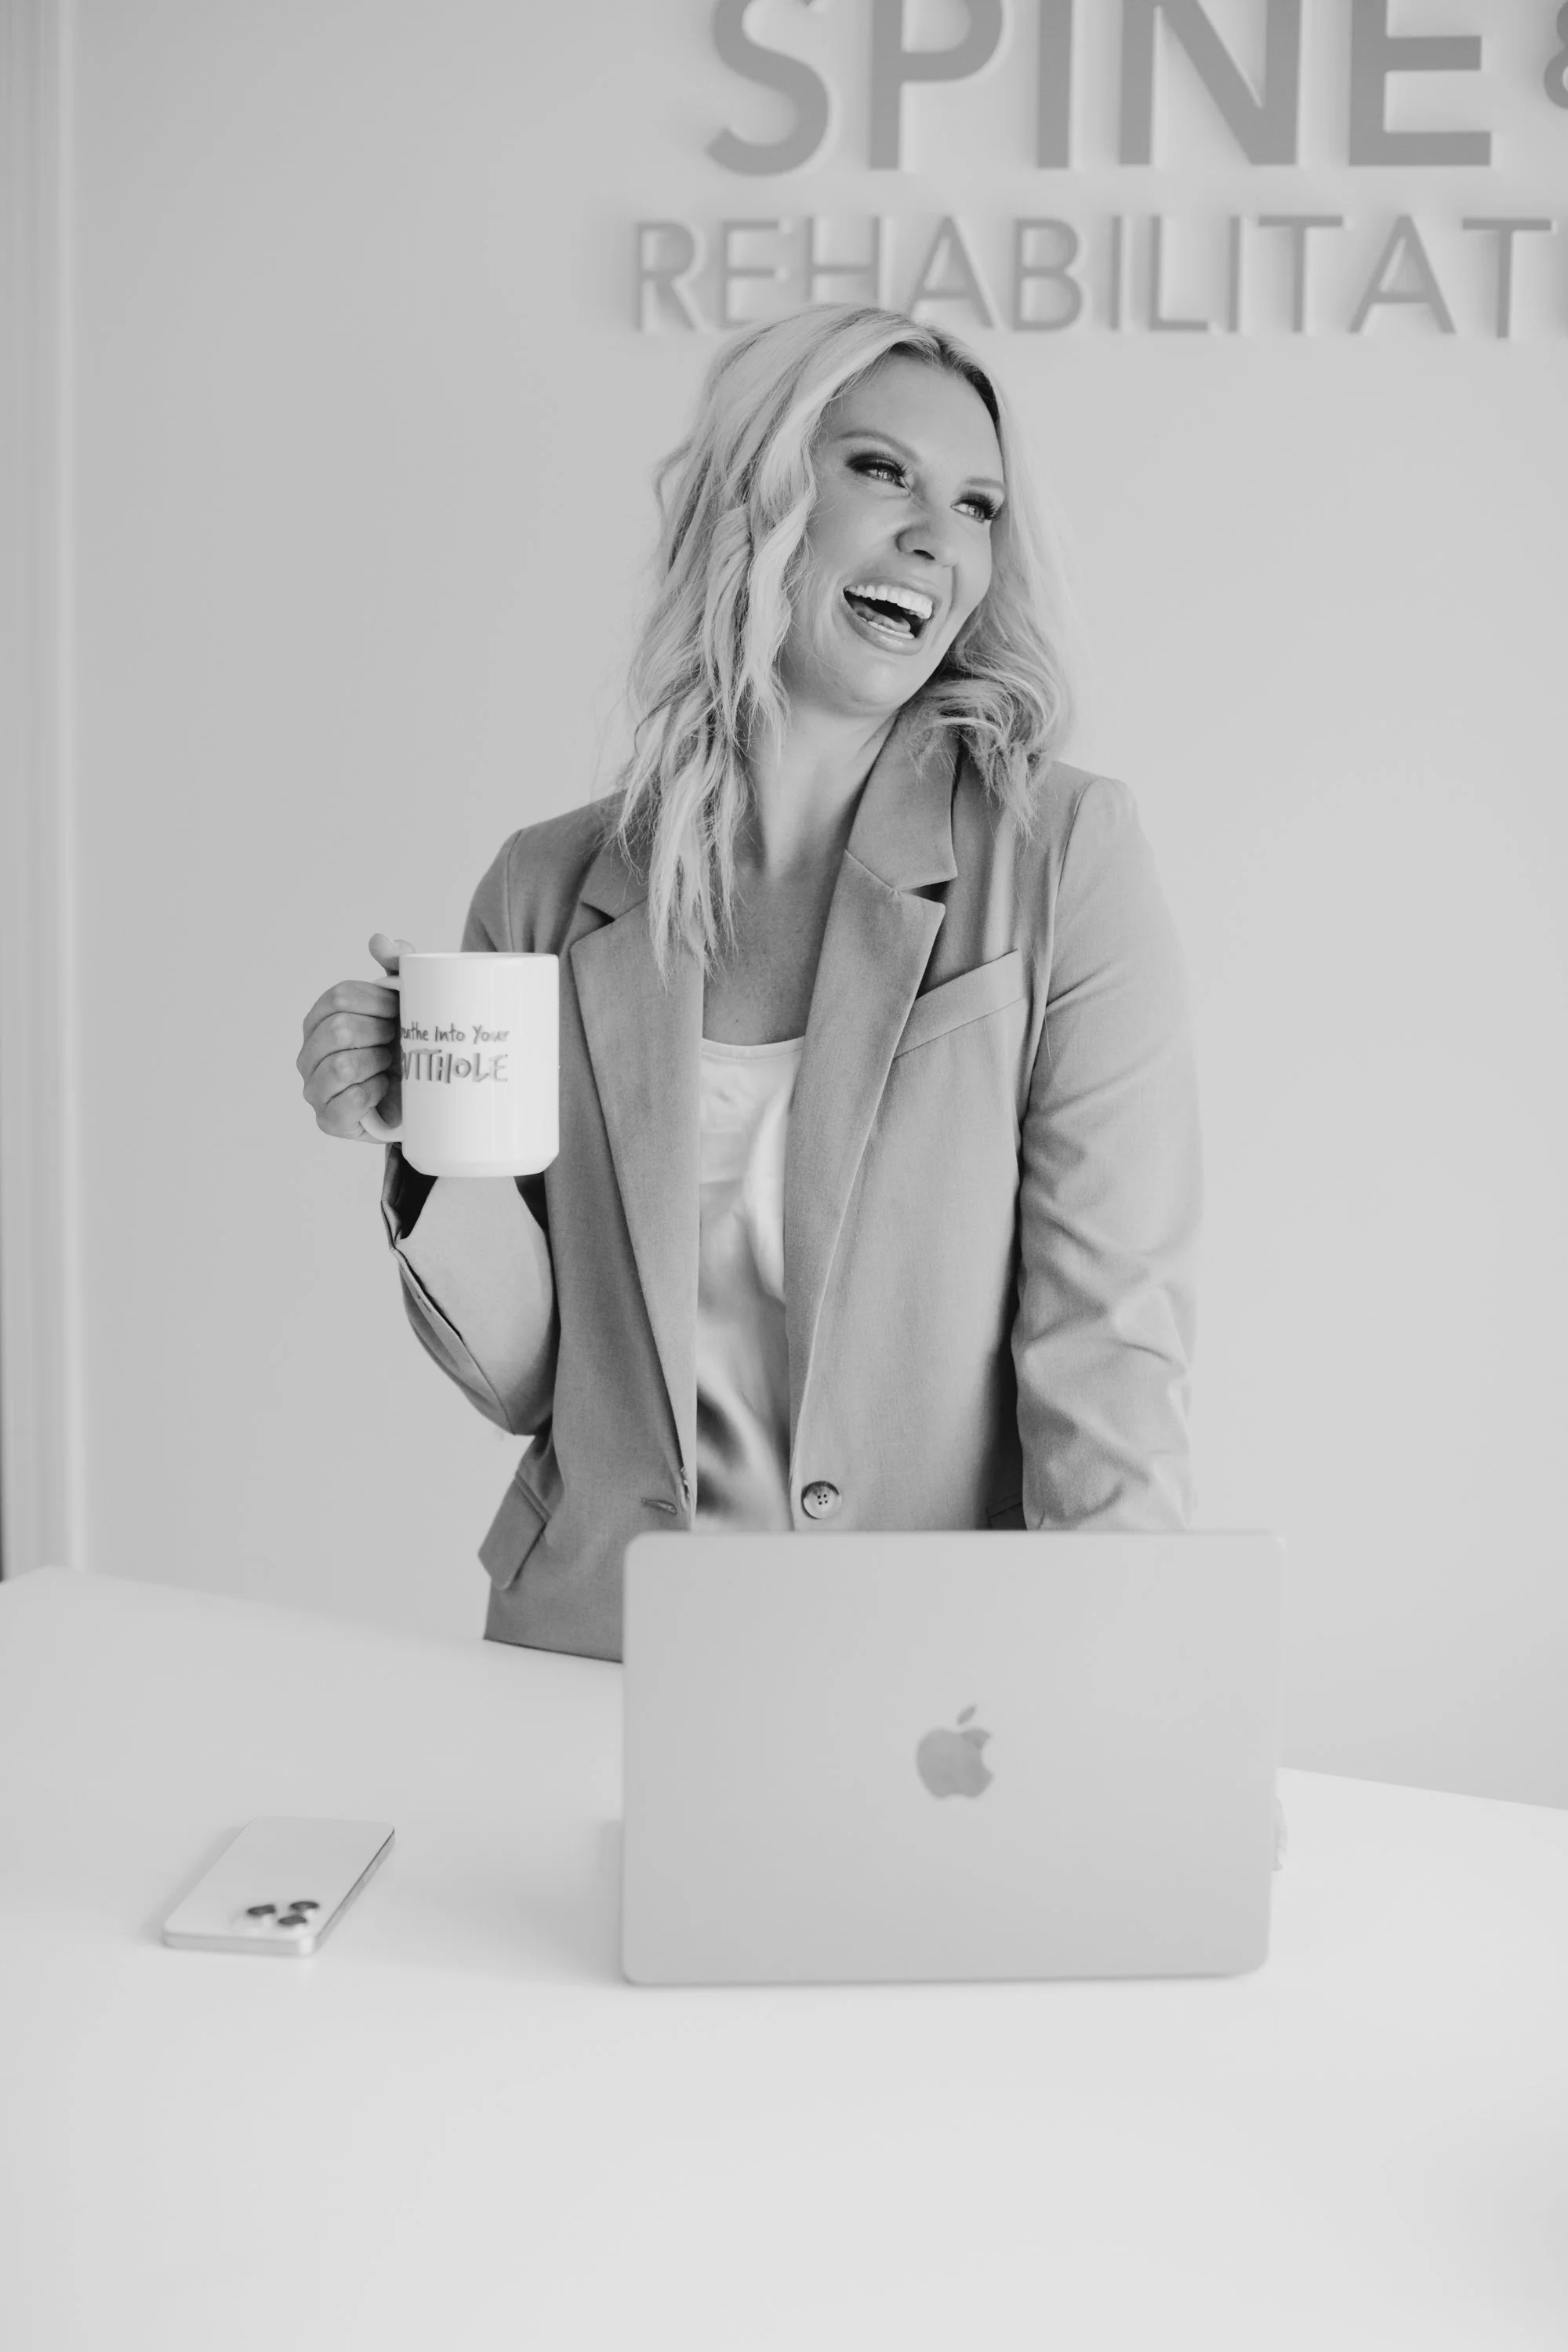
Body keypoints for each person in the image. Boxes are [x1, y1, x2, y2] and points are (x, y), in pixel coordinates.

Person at [296, 303, 1203, 1664]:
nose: (934, 539)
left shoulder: (1062, 856)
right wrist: (425, 1146)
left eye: (975, 505)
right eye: (882, 471)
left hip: (922, 1683)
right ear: (762, 491)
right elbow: (535, 1385)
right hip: (594, 1650)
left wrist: (1125, 1717)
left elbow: (1107, 1352)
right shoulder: (546, 888)